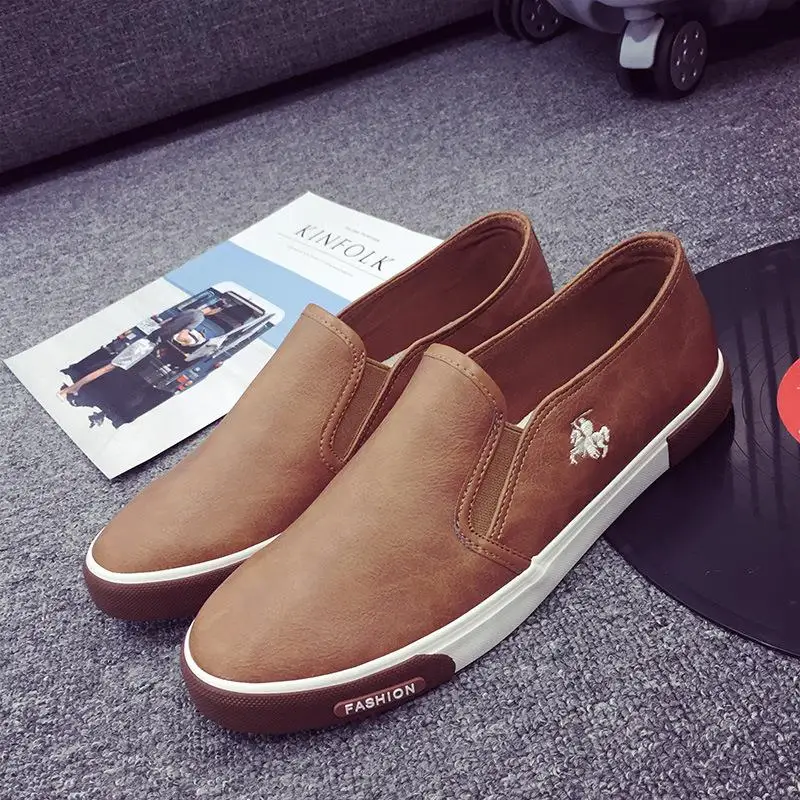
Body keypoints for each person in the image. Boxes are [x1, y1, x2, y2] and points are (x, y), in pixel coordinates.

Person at [57, 305, 221, 400]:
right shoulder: (199, 318)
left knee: (111, 366)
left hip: (147, 339)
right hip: (146, 345)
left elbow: (166, 322)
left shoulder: (190, 311)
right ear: (216, 309)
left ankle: (75, 387)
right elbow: (182, 336)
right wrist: (191, 341)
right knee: (109, 368)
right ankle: (68, 390)